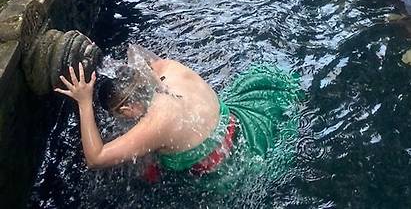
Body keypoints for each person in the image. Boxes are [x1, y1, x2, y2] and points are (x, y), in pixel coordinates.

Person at [55, 45, 300, 180]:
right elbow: (137, 53)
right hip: (241, 125)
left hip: (224, 171)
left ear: (127, 109)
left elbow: (96, 158)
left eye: (119, 115)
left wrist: (84, 102)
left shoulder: (156, 122)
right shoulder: (168, 69)